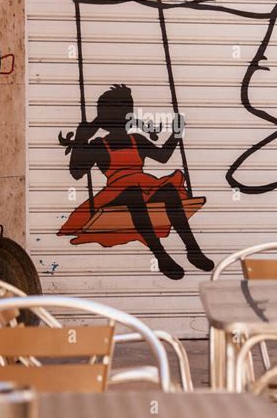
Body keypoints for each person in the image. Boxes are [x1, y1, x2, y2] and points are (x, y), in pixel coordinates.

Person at [58, 84, 214, 280]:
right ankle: (161, 254)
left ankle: (193, 250)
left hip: (144, 186)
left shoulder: (137, 140)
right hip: (116, 194)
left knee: (169, 191)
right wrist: (81, 139)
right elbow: (76, 172)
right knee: (133, 194)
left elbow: (163, 157)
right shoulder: (99, 145)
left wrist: (176, 134)